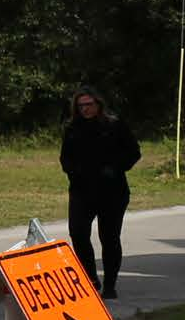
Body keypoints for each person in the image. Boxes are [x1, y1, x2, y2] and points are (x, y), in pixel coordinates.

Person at [60, 86, 141, 292]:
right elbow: (65, 158)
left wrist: (114, 168)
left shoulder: (114, 125)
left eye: (89, 105)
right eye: (80, 106)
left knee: (110, 237)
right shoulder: (71, 129)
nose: (85, 109)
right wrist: (73, 171)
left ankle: (110, 285)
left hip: (112, 191)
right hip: (81, 190)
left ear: (98, 104)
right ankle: (91, 279)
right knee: (78, 233)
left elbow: (133, 152)